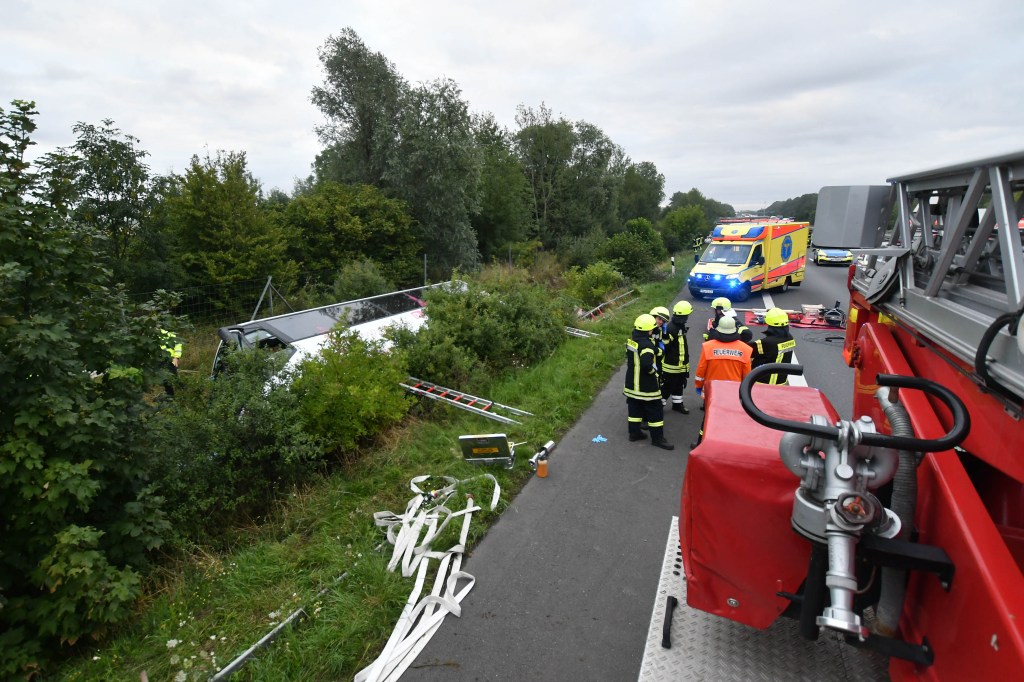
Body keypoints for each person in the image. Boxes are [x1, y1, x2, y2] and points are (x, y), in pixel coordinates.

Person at [692, 315, 753, 447]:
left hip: (712, 390)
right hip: (734, 392)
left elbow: (701, 370)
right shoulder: (745, 349)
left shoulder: (708, 347)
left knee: (708, 418)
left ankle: (701, 444)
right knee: (730, 418)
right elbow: (747, 374)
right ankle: (727, 444)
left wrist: (698, 385)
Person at [624, 314, 674, 450]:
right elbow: (646, 364)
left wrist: (655, 350)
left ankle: (634, 434)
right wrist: (655, 373)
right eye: (652, 328)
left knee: (634, 408)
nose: (653, 330)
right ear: (648, 330)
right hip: (646, 386)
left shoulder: (632, 341)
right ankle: (657, 439)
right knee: (656, 410)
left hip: (631, 384)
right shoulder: (646, 344)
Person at [750, 307, 798, 385]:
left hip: (764, 382)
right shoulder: (789, 337)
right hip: (782, 381)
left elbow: (747, 350)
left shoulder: (766, 342)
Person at [661, 301, 692, 414]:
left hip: (681, 365)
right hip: (671, 366)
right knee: (668, 387)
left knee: (679, 385)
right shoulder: (671, 328)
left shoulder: (680, 326)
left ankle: (677, 404)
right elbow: (666, 346)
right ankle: (658, 407)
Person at [159, 328, 183, 395]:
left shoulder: (170, 334)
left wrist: (176, 357)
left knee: (174, 377)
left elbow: (178, 346)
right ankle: (170, 395)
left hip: (170, 359)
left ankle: (183, 390)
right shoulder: (152, 335)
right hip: (160, 359)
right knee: (166, 378)